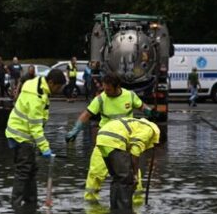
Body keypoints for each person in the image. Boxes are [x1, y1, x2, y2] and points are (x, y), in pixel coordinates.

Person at [65, 72, 154, 203]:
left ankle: (136, 201)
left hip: (125, 141)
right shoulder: (101, 98)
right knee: (95, 172)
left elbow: (141, 106)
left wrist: (150, 111)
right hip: (105, 141)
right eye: (104, 88)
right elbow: (87, 114)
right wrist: (75, 129)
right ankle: (91, 202)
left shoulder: (129, 96)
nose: (105, 91)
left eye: (108, 89)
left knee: (132, 173)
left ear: (117, 87)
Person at [5, 68, 67, 207]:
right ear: (50, 82)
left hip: (19, 132)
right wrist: (45, 148)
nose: (59, 90)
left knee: (31, 170)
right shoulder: (37, 97)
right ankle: (15, 206)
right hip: (22, 135)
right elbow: (35, 127)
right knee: (24, 170)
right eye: (58, 87)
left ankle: (31, 203)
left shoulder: (37, 84)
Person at [94, 117, 161, 210]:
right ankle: (124, 212)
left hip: (102, 138)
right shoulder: (149, 131)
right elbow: (135, 152)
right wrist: (135, 175)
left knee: (117, 179)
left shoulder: (138, 125)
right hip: (114, 140)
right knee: (126, 179)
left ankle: (114, 210)